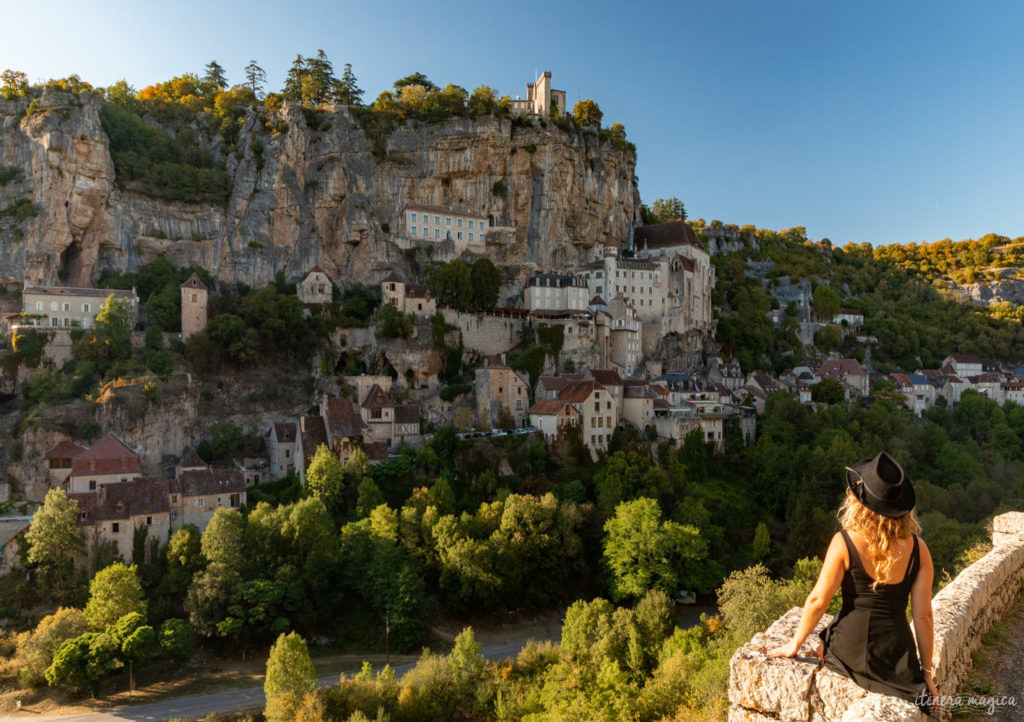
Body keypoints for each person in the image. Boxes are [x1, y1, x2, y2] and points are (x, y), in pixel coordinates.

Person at [767, 452, 938, 719]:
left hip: (849, 649)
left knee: (825, 637)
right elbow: (923, 617)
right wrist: (926, 674)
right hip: (896, 656)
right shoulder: (919, 550)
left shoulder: (844, 542)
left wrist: (794, 643)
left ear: (860, 502)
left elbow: (817, 601)